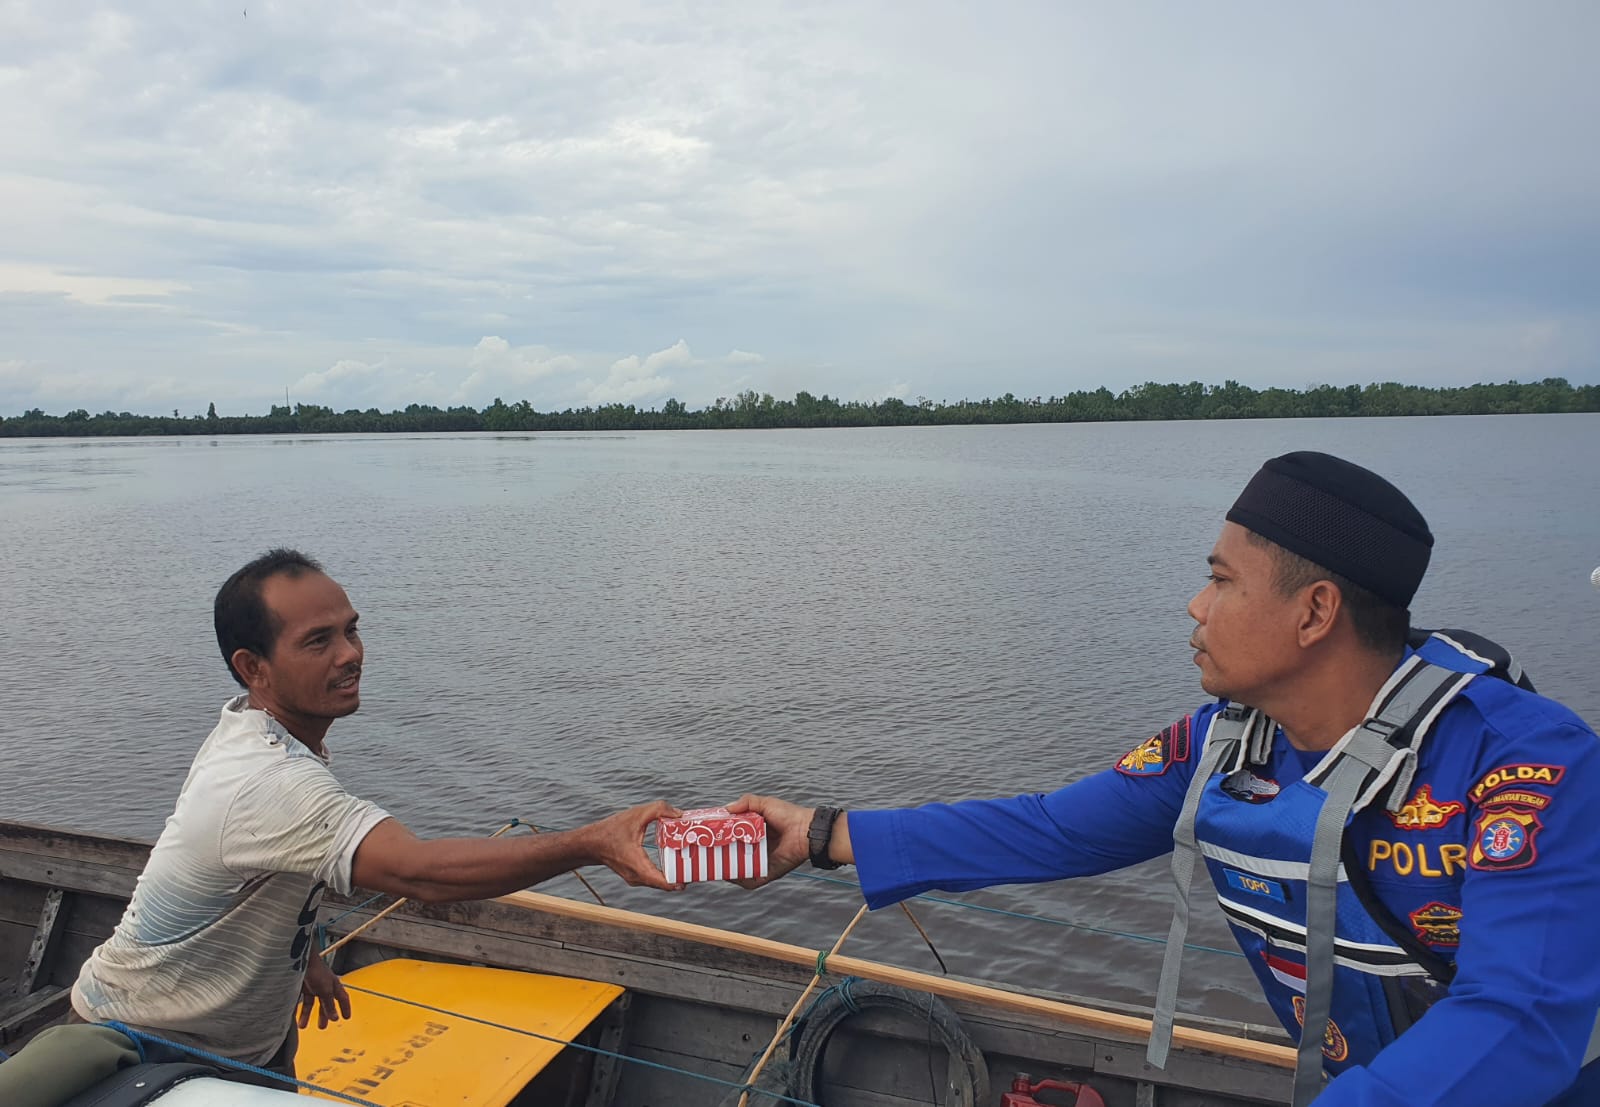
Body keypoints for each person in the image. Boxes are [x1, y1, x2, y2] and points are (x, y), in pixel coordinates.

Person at [734, 451, 1600, 1106]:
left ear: (1315, 612)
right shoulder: (1224, 745)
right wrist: (820, 833)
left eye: (1221, 578)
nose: (1195, 605)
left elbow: (1518, 1015)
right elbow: (1052, 827)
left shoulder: (1524, 764)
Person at [0, 549, 678, 1107]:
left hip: (248, 1043)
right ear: (252, 667)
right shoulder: (266, 780)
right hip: (143, 1037)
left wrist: (304, 958)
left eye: (351, 629)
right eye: (318, 640)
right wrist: (591, 841)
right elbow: (421, 873)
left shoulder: (268, 731)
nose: (351, 653)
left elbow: (255, 870)